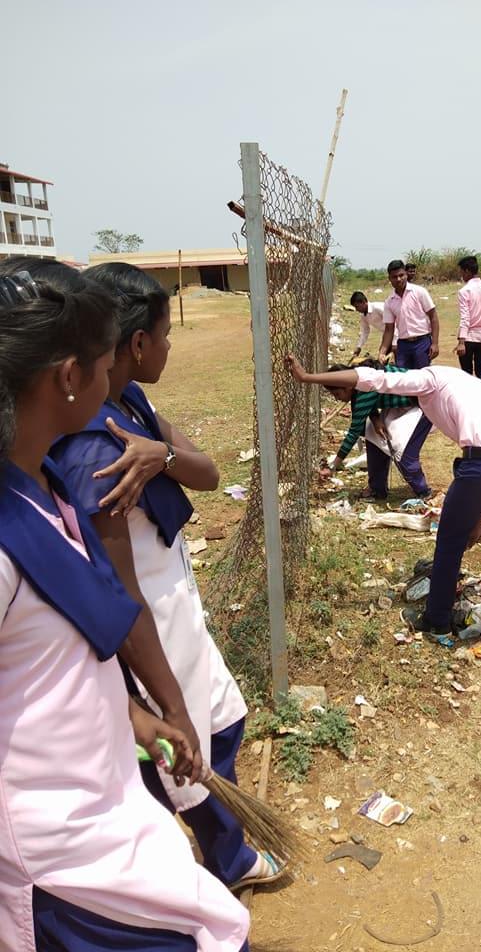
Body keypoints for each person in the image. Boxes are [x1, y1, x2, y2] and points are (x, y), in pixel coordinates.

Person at [0, 262, 249, 950]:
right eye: (108, 356)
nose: (119, 372)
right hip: (55, 848)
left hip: (94, 805)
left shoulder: (41, 485)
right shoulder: (76, 473)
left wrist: (133, 712)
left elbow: (53, 655)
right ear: (70, 377)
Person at [51, 262, 280, 891]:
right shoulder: (94, 450)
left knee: (223, 722)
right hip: (146, 620)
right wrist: (166, 699)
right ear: (137, 344)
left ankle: (217, 850)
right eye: (165, 334)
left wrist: (165, 456)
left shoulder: (132, 406)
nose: (172, 346)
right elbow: (118, 586)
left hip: (177, 601)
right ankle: (211, 862)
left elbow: (206, 473)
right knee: (180, 745)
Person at [286, 355, 481, 650]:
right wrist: (479, 521)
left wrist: (308, 377)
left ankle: (437, 620)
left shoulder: (430, 378)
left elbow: (369, 377)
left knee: (449, 542)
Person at [325, 360, 431, 500]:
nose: (337, 399)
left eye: (337, 394)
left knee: (402, 451)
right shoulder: (359, 382)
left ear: (348, 386)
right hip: (402, 405)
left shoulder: (363, 391)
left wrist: (333, 466)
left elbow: (354, 431)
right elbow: (373, 400)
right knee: (373, 436)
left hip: (424, 404)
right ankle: (377, 488)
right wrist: (375, 419)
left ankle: (423, 492)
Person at [379, 260, 439, 368]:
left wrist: (434, 343)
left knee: (422, 377)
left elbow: (433, 317)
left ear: (406, 274)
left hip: (422, 342)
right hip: (403, 345)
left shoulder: (419, 292)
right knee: (404, 378)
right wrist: (382, 352)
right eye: (394, 277)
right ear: (389, 279)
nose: (398, 279)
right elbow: (389, 329)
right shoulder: (389, 302)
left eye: (401, 275)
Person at [454, 255, 481, 380]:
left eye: (461, 272)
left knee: (466, 374)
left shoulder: (464, 291)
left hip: (469, 337)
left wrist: (461, 342)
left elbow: (465, 317)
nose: (461, 275)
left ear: (467, 271)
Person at [349, 290, 397, 358]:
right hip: (388, 335)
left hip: (400, 334)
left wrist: (395, 342)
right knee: (383, 357)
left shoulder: (378, 308)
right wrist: (359, 347)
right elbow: (365, 331)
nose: (356, 309)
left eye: (357, 306)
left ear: (363, 302)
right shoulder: (363, 315)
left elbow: (395, 323)